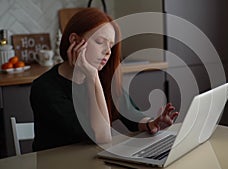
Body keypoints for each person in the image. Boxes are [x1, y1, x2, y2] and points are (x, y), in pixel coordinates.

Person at [30, 8, 179, 152]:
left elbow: (131, 114)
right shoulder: (45, 88)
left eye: (110, 46)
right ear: (74, 40)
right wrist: (92, 76)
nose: (108, 52)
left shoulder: (105, 78)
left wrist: (151, 123)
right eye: (100, 42)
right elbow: (101, 136)